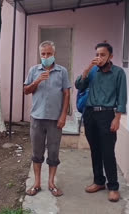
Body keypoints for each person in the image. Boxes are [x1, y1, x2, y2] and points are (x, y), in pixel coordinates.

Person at [75, 42, 127, 202]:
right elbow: (78, 85)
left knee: (108, 152)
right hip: (90, 114)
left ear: (111, 56)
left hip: (106, 115)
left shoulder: (118, 73)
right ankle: (99, 181)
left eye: (102, 55)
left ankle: (113, 187)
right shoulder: (92, 71)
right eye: (97, 54)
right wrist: (86, 69)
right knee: (95, 150)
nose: (99, 57)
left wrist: (117, 118)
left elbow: (122, 97)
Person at [24, 41, 71, 197]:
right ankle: (37, 183)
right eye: (43, 54)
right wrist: (37, 80)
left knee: (53, 152)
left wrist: (63, 115)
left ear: (54, 54)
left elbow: (66, 94)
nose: (46, 57)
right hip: (37, 118)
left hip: (54, 120)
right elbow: (26, 90)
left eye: (49, 54)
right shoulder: (33, 70)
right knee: (37, 152)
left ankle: (51, 183)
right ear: (40, 54)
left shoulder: (62, 71)